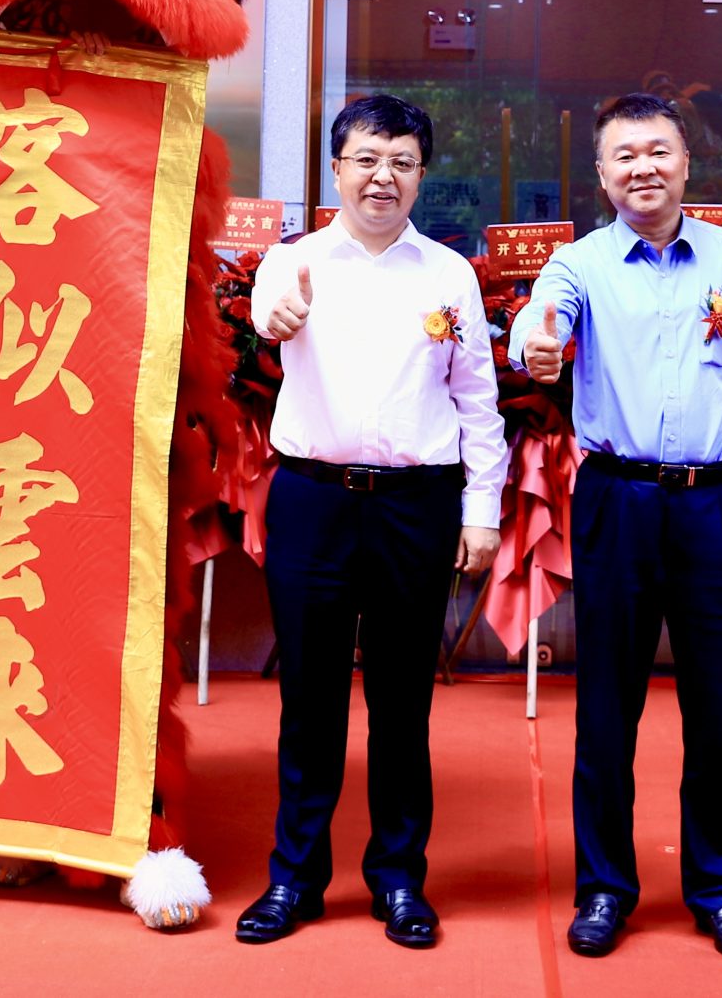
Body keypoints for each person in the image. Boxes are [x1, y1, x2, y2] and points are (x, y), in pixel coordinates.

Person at [510, 92, 722, 962]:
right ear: (602, 174)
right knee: (606, 709)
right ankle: (604, 887)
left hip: (713, 501)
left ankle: (719, 888)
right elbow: (538, 322)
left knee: (714, 706)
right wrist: (536, 345)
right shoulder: (580, 263)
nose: (643, 167)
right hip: (618, 500)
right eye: (624, 155)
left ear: (685, 161)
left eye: (658, 150)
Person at [235, 93, 506, 950]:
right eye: (366, 159)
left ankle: (398, 877)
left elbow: (478, 403)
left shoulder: (449, 275)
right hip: (313, 500)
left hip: (415, 506)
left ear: (421, 174)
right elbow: (268, 315)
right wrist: (276, 318)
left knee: (401, 701)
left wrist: (483, 511)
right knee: (308, 700)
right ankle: (294, 877)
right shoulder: (294, 262)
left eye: (401, 161)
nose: (382, 176)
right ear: (336, 168)